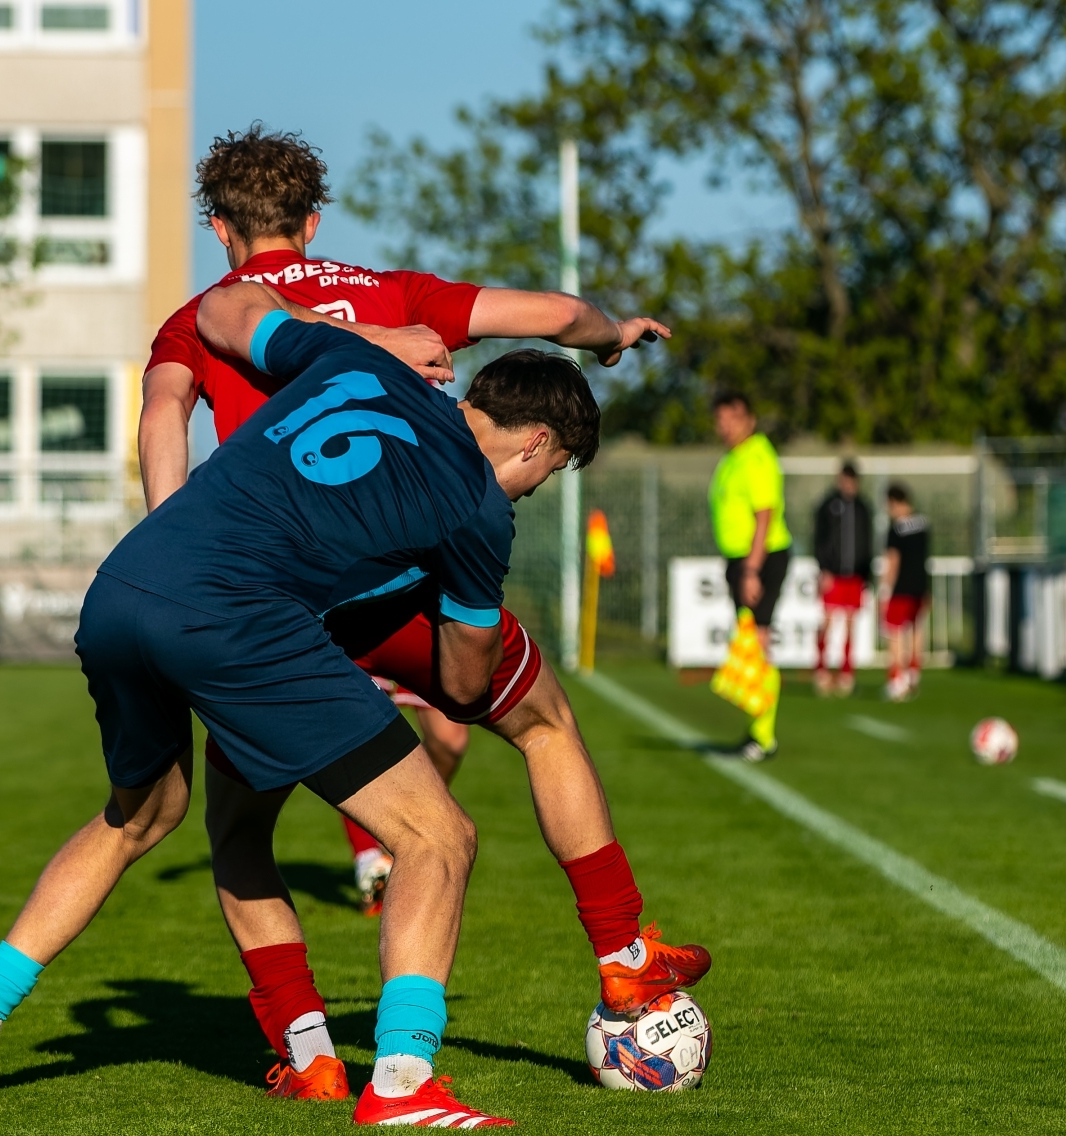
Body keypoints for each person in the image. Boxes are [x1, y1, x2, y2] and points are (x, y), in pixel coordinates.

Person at [0, 313, 600, 1126]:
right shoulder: (479, 506)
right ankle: (402, 1080)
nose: (534, 487)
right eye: (547, 474)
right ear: (535, 443)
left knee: (140, 817)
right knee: (437, 836)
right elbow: (461, 685)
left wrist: (376, 337)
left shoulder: (355, 358)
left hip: (124, 588)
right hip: (237, 618)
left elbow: (230, 309)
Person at [142, 126, 671, 919]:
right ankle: (622, 948)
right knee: (544, 725)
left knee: (240, 827)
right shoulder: (391, 293)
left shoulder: (201, 316)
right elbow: (560, 314)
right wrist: (613, 334)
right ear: (312, 221)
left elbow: (162, 415)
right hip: (397, 582)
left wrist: (172, 544)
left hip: (270, 595)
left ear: (219, 227)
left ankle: (305, 995)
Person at [708, 391, 792, 760]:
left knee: (758, 643)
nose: (726, 426)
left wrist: (752, 570)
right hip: (742, 561)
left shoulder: (757, 456)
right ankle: (757, 731)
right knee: (751, 644)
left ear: (750, 420)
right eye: (721, 420)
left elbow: (764, 517)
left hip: (761, 559)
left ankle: (763, 736)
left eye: (734, 418)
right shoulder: (733, 458)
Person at [812, 461, 873, 697]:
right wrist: (824, 568)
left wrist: (866, 573)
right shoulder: (828, 505)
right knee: (827, 622)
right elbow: (820, 538)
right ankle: (821, 670)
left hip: (855, 574)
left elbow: (866, 541)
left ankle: (846, 673)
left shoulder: (863, 508)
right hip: (833, 573)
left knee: (850, 624)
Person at [880, 483, 930, 702]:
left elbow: (893, 560)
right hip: (920, 585)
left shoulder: (896, 529)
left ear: (894, 502)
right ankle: (913, 672)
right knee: (916, 629)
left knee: (895, 631)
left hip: (901, 587)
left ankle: (896, 678)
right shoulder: (923, 524)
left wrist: (885, 589)